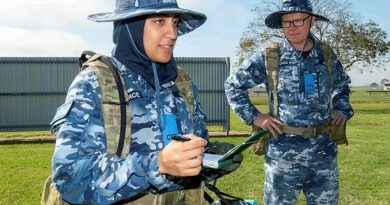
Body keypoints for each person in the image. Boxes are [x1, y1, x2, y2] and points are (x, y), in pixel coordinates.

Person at [47, 0, 222, 204]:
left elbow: (198, 146)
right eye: (159, 21)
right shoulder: (95, 84)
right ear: (132, 27)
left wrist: (215, 159)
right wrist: (156, 165)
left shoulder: (181, 84)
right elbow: (70, 178)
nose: (173, 33)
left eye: (175, 22)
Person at [224, 0, 354, 204]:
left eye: (298, 21)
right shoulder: (271, 55)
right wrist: (255, 117)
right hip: (283, 154)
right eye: (287, 22)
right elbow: (232, 85)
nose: (292, 27)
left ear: (311, 21)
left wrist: (341, 109)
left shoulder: (326, 55)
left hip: (324, 153)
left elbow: (343, 85)